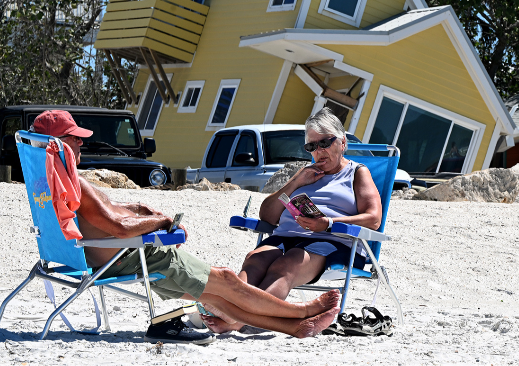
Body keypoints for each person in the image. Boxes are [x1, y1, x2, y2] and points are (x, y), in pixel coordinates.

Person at [30, 110, 340, 344]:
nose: (81, 142)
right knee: (228, 280)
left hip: (102, 258)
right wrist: (161, 223)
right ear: (58, 144)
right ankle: (301, 312)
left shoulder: (50, 181)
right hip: (135, 256)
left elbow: (109, 214)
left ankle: (291, 327)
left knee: (216, 297)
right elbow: (121, 228)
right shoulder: (76, 184)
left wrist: (137, 208)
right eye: (74, 138)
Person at [201, 108, 382, 334]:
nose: (318, 151)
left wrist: (329, 223)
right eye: (311, 146)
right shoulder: (306, 174)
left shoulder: (357, 172)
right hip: (286, 236)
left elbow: (374, 219)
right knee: (255, 259)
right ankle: (229, 310)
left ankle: (238, 320)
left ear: (342, 142)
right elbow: (267, 215)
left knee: (288, 264)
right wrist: (296, 181)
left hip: (332, 240)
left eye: (325, 143)